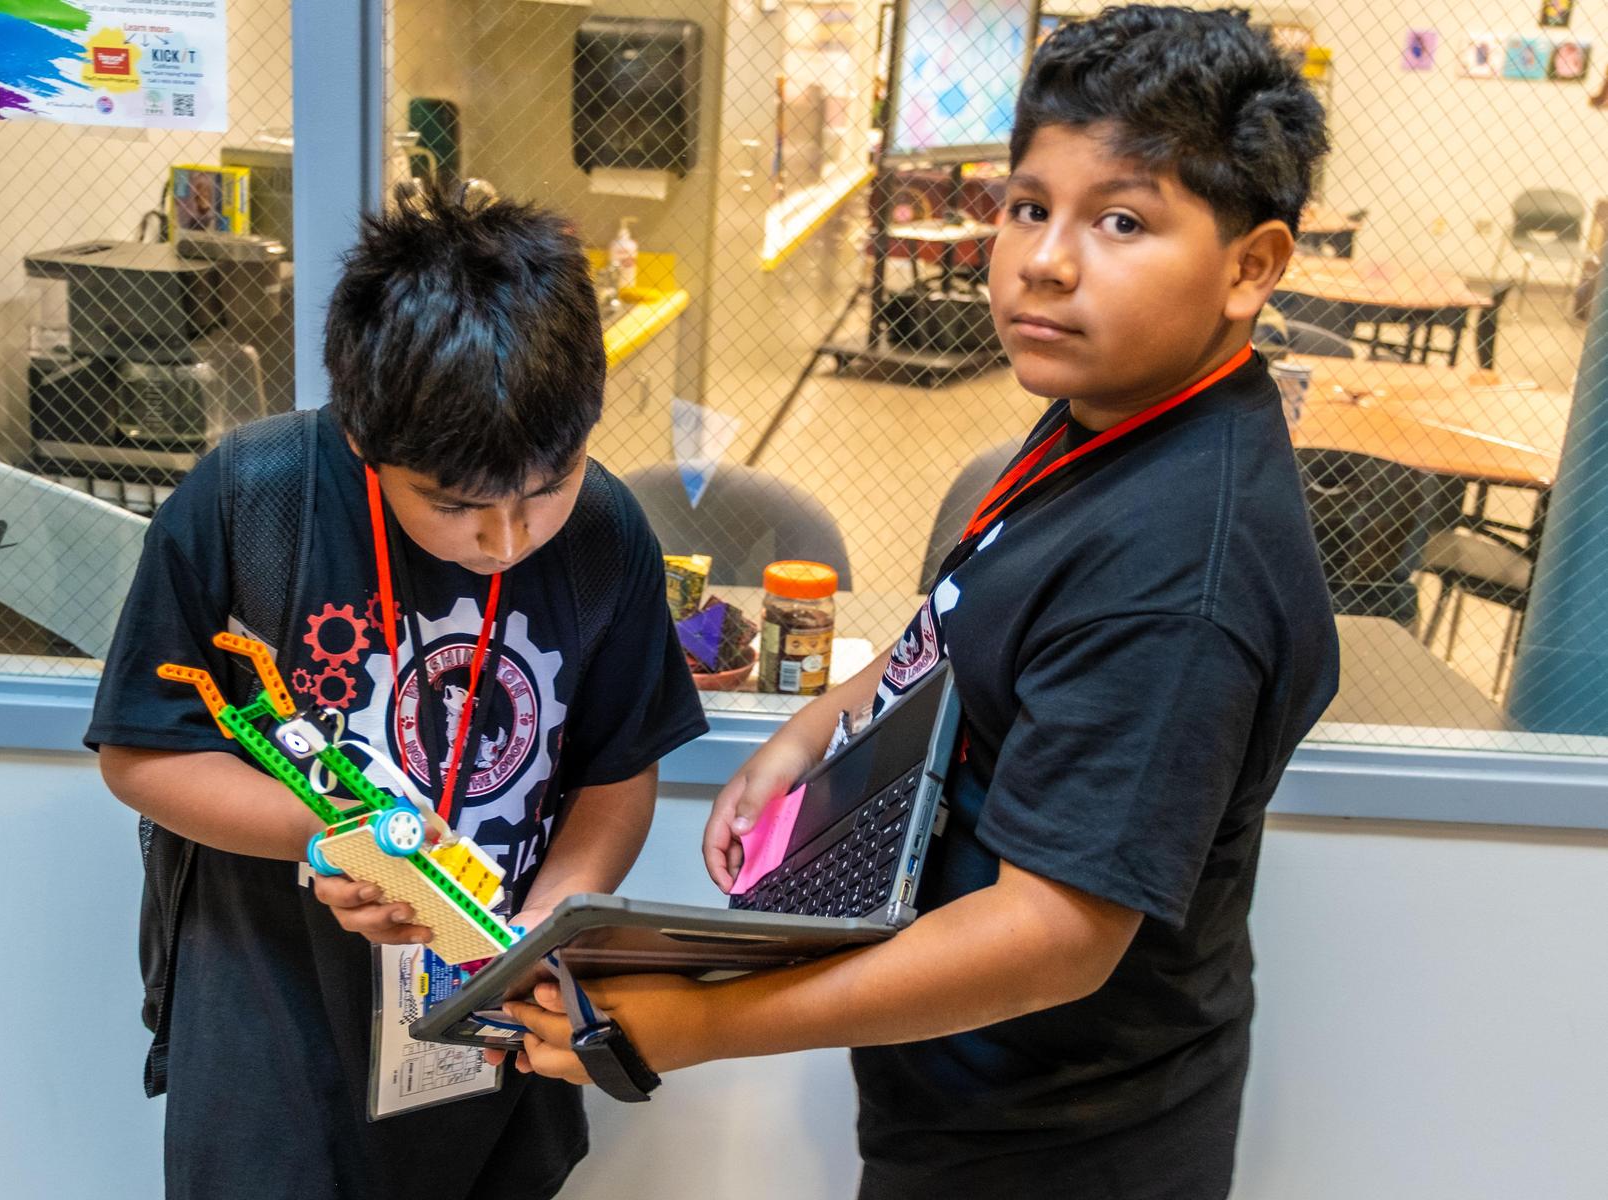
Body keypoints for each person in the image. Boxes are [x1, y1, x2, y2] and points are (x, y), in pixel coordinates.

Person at [497, 9, 1341, 1198]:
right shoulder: (1103, 416)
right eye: (1027, 204)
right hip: (968, 1107)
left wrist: (705, 1022)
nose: (1042, 259)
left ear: (1248, 268)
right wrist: (816, 726)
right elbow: (966, 619)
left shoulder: (1174, 585)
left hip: (1058, 1150)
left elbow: (1051, 938)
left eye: (1119, 220)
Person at [88, 178, 707, 1200]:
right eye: (455, 505)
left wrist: (541, 933)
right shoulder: (253, 498)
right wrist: (327, 841)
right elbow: (142, 751)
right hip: (273, 1004)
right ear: (365, 446)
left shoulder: (604, 532)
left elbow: (615, 773)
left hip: (487, 1014)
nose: (506, 541)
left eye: (545, 487)